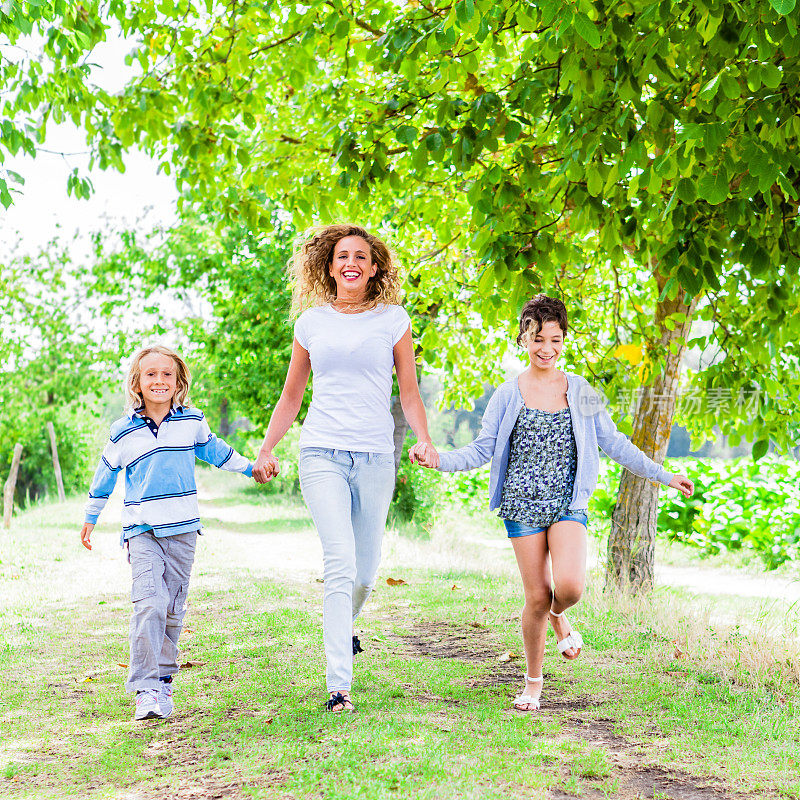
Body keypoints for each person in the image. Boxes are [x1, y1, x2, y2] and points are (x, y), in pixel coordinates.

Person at [414, 295, 693, 712]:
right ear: (523, 339)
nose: (547, 348)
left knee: (570, 589)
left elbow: (613, 442)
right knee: (537, 597)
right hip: (521, 505)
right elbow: (482, 450)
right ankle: (532, 684)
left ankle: (560, 617)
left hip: (568, 503)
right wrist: (440, 460)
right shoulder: (507, 394)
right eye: (538, 338)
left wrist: (663, 475)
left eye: (556, 339)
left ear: (565, 341)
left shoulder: (580, 390)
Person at [252, 223, 437, 713]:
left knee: (364, 573)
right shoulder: (311, 323)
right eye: (341, 256)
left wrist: (424, 440)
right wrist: (268, 449)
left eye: (360, 255)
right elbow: (292, 395)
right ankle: (340, 686)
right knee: (339, 563)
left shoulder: (393, 320)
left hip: (376, 456)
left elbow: (410, 392)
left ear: (375, 267)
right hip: (321, 454)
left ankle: (345, 623)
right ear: (328, 267)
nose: (350, 262)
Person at [79, 345, 254, 721]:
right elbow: (105, 474)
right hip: (141, 530)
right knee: (149, 604)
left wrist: (250, 468)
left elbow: (218, 452)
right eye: (150, 374)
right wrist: (91, 515)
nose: (159, 380)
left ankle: (162, 679)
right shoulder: (123, 432)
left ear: (178, 383)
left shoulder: (191, 422)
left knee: (173, 609)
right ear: (137, 384)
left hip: (184, 530)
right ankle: (145, 689)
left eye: (167, 375)